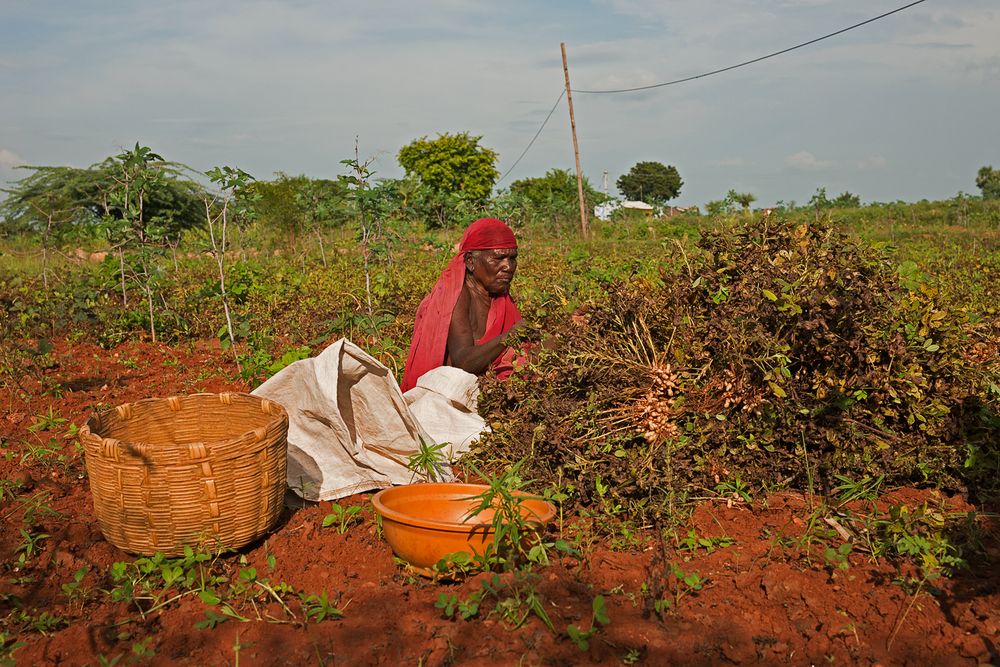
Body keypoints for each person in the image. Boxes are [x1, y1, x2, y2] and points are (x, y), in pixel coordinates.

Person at [400, 218, 523, 392]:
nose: (508, 267)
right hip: (451, 395)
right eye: (499, 258)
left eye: (512, 258)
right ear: (471, 262)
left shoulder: (500, 296)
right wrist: (513, 335)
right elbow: (463, 362)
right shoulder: (456, 297)